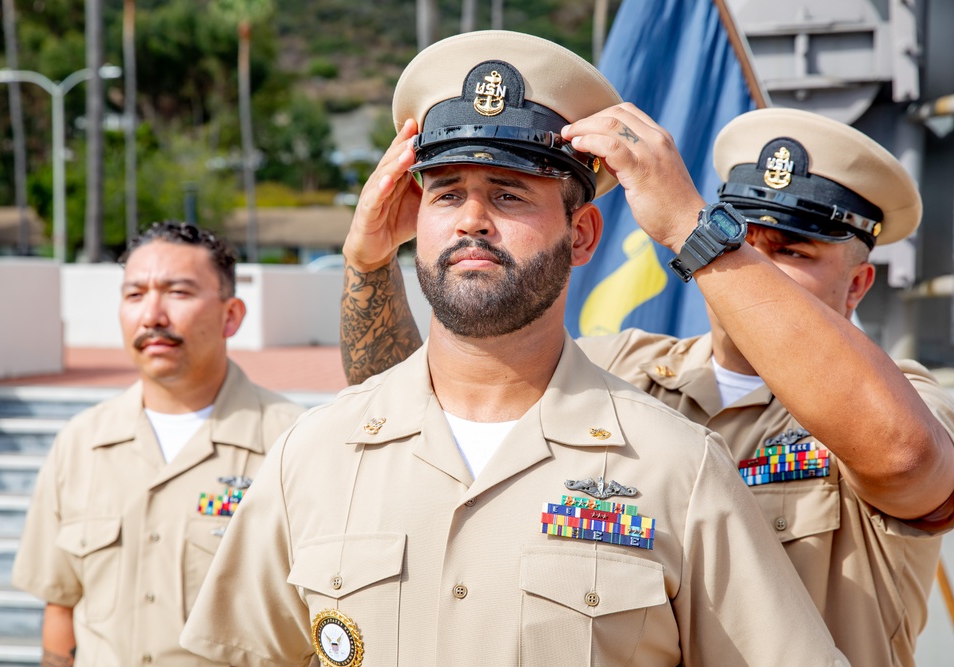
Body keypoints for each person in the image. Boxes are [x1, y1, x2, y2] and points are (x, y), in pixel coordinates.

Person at [181, 30, 847, 666]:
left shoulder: (678, 469)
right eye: (446, 193)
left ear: (583, 235)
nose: (472, 218)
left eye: (507, 193)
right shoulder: (314, 454)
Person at [336, 55, 954, 667]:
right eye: (743, 237)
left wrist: (694, 228)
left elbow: (905, 459)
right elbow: (408, 423)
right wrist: (368, 265)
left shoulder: (902, 400)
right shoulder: (620, 370)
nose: (759, 265)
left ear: (859, 285)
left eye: (792, 251)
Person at [11, 221, 306, 666]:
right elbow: (61, 604)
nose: (151, 316)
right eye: (134, 295)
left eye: (178, 292)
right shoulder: (82, 443)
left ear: (231, 316)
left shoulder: (294, 443)